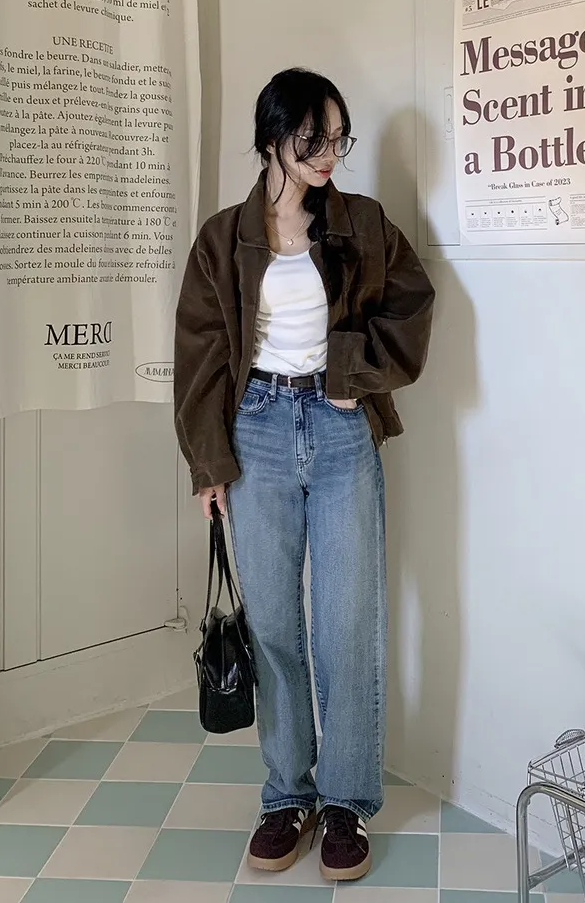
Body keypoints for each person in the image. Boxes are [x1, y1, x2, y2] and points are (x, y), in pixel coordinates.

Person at [174, 68, 434, 882]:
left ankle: (346, 800)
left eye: (338, 138)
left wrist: (350, 374)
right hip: (255, 431)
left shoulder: (363, 222)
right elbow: (201, 355)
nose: (328, 154)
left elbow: (412, 304)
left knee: (348, 623)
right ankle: (287, 794)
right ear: (271, 139)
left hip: (341, 430)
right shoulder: (223, 238)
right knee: (275, 627)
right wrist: (208, 464)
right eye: (311, 138)